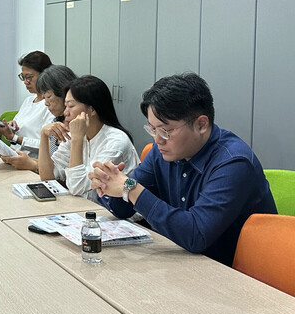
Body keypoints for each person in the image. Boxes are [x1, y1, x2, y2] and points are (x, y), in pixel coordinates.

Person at [90, 73, 277, 266]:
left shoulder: (233, 162)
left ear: (201, 124)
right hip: (184, 262)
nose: (157, 139)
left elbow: (196, 235)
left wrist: (131, 189)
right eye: (152, 129)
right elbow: (123, 209)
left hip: (235, 272)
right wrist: (109, 182)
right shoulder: (161, 152)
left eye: (165, 130)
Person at [38, 75, 139, 200]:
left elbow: (78, 187)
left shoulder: (116, 141)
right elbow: (47, 176)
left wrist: (77, 140)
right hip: (86, 206)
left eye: (71, 106)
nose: (65, 112)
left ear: (91, 110)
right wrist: (43, 136)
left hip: (113, 211)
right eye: (65, 106)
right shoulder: (75, 135)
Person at [1, 65, 77, 172]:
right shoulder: (57, 121)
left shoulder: (78, 128)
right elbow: (54, 164)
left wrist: (31, 164)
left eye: (48, 97)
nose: (46, 103)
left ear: (64, 93)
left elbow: (65, 173)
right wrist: (20, 159)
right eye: (44, 97)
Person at [0, 51, 53, 158]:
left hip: (33, 162)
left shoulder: (51, 105)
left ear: (44, 75)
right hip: (15, 156)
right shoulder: (28, 101)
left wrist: (15, 138)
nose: (25, 82)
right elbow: (16, 136)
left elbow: (49, 145)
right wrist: (12, 128)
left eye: (29, 77)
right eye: (23, 77)